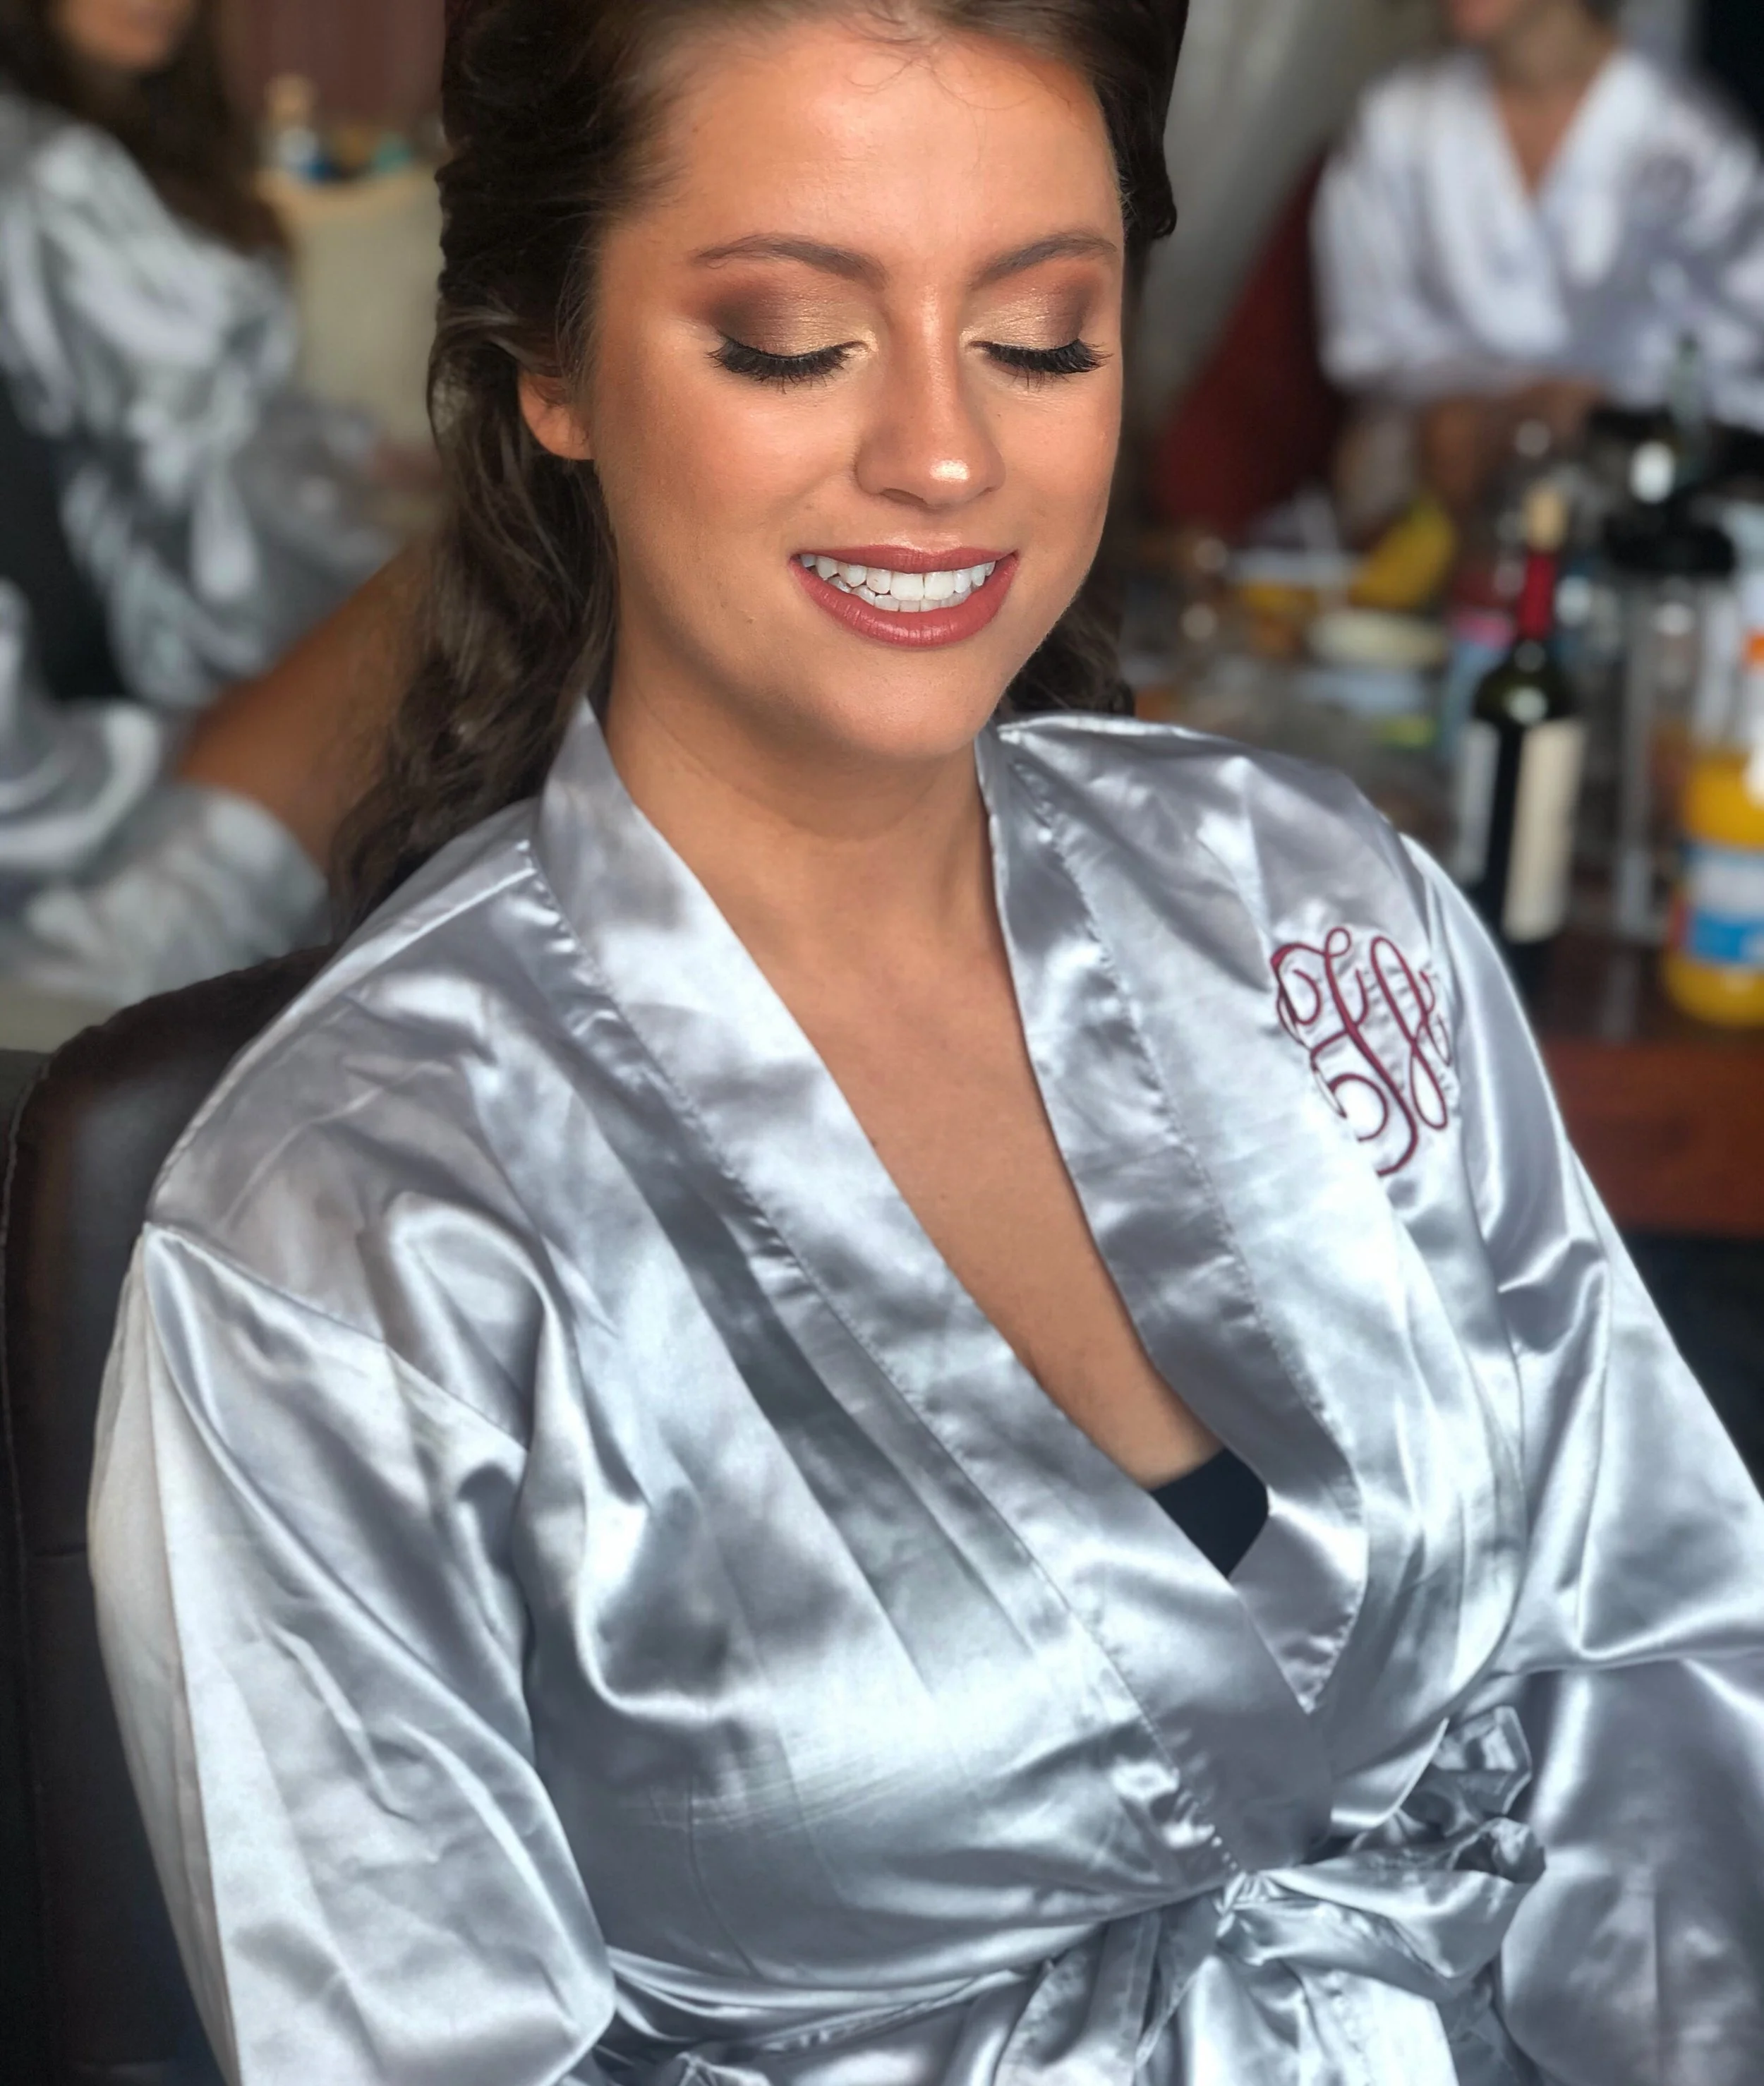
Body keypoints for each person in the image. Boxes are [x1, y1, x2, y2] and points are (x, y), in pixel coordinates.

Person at [90, 2, 1764, 2082]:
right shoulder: (344, 1231)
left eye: (1039, 339)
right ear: (552, 368)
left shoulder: (1318, 905)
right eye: (793, 340)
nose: (947, 454)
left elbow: (1663, 1660)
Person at [0, 0, 399, 989]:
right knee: (484, 584)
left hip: (130, 676)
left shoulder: (113, 141)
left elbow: (230, 420)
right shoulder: (51, 172)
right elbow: (189, 471)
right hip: (99, 789)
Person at [1313, 0, 1764, 516]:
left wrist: (1593, 403)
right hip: (1450, 475)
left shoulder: (1690, 140)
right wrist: (1477, 411)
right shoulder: (1398, 123)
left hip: (1640, 483)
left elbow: (1743, 351)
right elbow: (1368, 340)